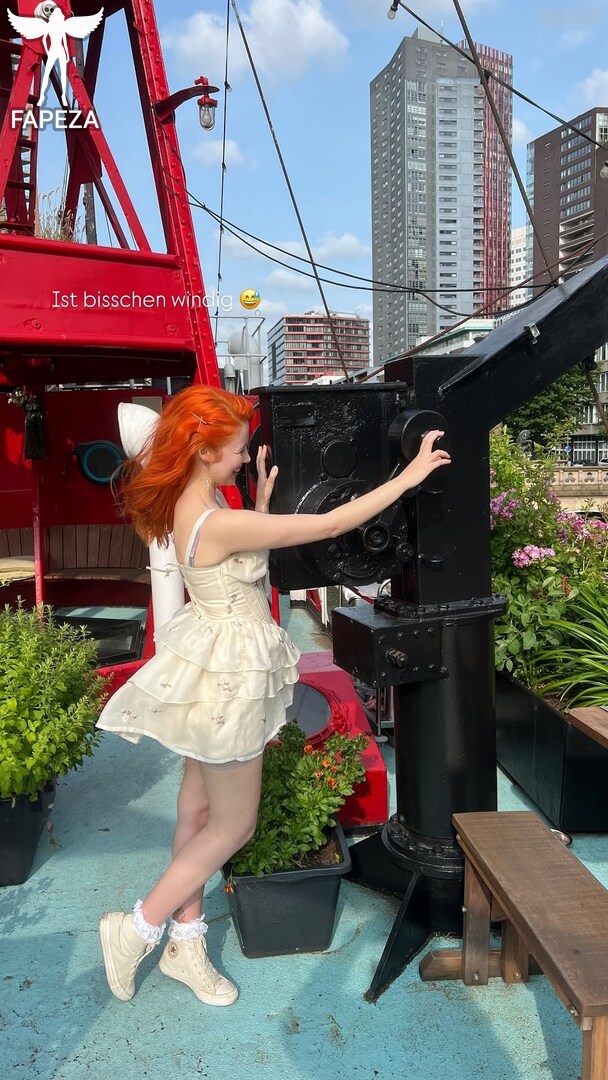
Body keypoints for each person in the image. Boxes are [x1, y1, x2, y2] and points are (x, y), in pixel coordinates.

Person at [97, 384, 451, 1006]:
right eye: (237, 449)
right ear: (203, 451)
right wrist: (409, 477)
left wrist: (258, 499)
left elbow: (234, 550)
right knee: (234, 825)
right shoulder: (218, 517)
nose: (244, 457)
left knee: (196, 811)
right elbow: (329, 522)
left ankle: (186, 941)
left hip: (213, 666)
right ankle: (137, 928)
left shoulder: (197, 499)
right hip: (231, 681)